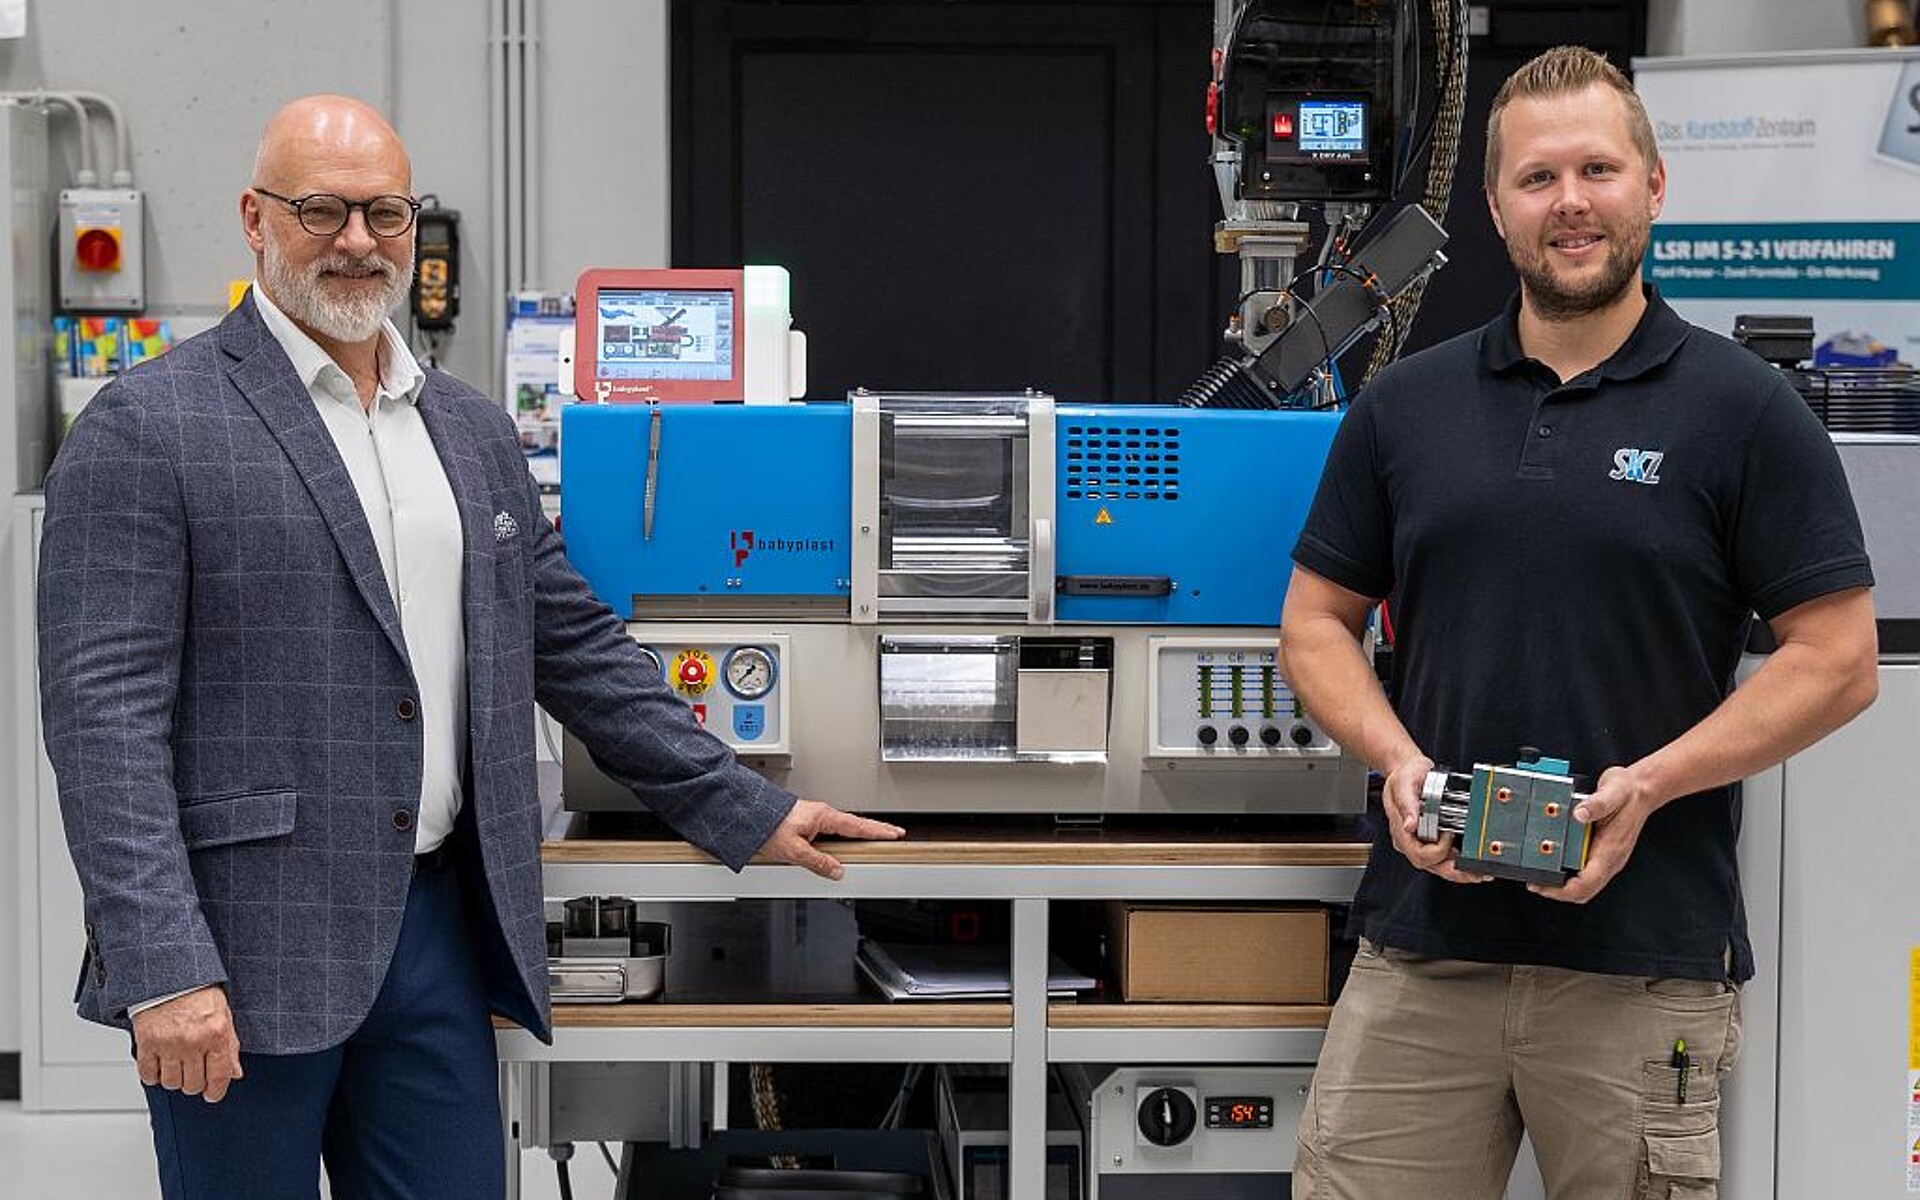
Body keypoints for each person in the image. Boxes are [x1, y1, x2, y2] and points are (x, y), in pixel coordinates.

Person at [36, 94, 903, 1200]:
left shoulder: (470, 429)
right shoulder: (148, 426)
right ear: (255, 220)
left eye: (386, 212)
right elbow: (102, 723)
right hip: (245, 946)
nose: (358, 240)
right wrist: (162, 967)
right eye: (322, 210)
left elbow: (573, 645)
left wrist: (746, 805)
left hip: (440, 931)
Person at [1279, 46, 1878, 1200]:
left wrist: (1646, 786)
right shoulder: (1407, 406)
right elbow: (1314, 623)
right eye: (1538, 178)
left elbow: (1841, 660)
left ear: (1654, 187)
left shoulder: (1746, 411)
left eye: (1598, 169)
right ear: (1497, 208)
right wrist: (1398, 764)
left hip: (1641, 968)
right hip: (1424, 953)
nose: (1571, 203)